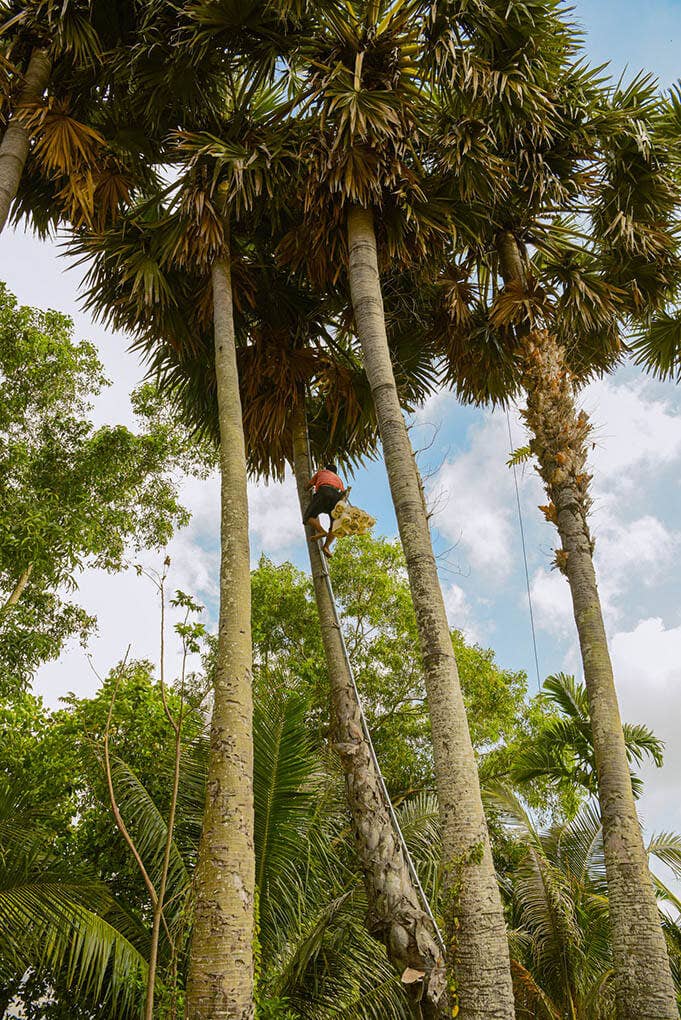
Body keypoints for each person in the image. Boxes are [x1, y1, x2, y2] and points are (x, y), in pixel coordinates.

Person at [302, 463, 347, 558]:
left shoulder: (321, 472)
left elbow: (309, 485)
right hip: (336, 497)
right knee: (335, 525)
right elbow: (343, 495)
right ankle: (326, 547)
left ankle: (322, 531)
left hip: (324, 492)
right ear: (335, 472)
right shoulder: (339, 479)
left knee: (308, 517)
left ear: (327, 469)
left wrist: (305, 488)